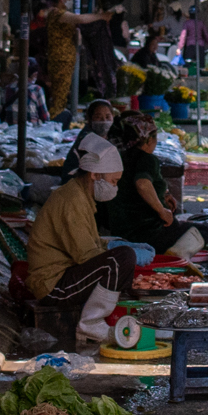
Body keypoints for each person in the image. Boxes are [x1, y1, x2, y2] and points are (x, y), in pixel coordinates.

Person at [27, 134, 137, 345]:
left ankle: (101, 318)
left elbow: (91, 243)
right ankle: (91, 325)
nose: (115, 187)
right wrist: (122, 253)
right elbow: (86, 256)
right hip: (52, 285)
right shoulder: (72, 199)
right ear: (95, 175)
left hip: (63, 277)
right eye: (114, 181)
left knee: (122, 255)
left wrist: (114, 244)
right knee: (121, 259)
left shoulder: (80, 196)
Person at [99, 113, 204, 258]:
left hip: (120, 230)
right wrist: (162, 211)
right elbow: (142, 184)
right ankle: (171, 259)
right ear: (149, 139)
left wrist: (164, 195)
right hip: (147, 233)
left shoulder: (119, 157)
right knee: (201, 231)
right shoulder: (147, 159)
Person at [44, 0, 113, 106]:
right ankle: (56, 118)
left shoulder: (61, 13)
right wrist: (101, 16)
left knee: (63, 93)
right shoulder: (56, 13)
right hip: (60, 60)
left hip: (65, 59)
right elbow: (80, 19)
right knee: (59, 95)